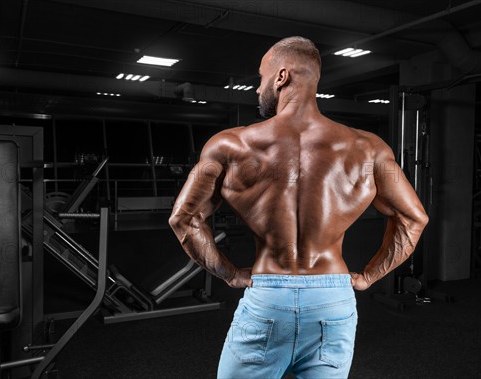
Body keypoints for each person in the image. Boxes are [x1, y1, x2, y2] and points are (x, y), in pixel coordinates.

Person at [169, 36, 429, 379]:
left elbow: (184, 218)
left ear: (281, 77)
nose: (257, 87)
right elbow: (414, 217)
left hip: (268, 296)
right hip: (333, 299)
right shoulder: (369, 148)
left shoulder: (230, 145)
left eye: (260, 78)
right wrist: (369, 276)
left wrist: (230, 273)